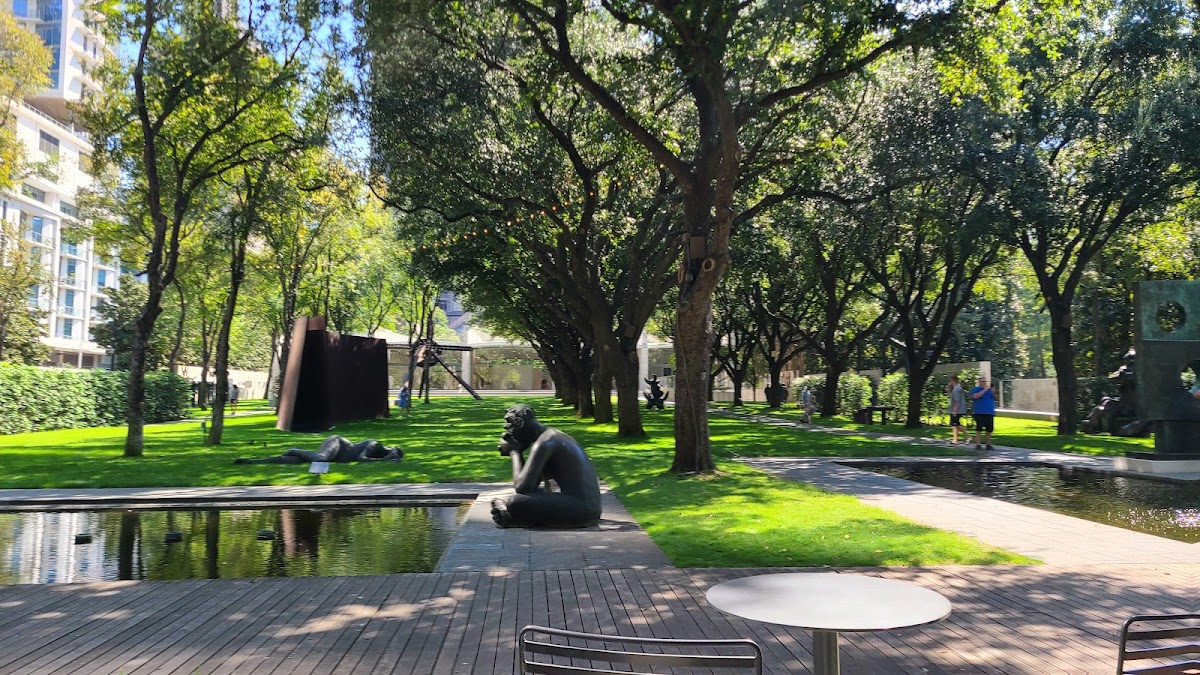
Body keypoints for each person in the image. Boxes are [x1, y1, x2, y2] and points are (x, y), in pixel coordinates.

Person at [490, 404, 602, 529]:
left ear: (520, 424)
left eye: (510, 430)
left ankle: (513, 517)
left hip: (583, 510)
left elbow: (522, 488)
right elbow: (531, 485)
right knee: (532, 495)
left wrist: (514, 452)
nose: (509, 435)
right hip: (590, 506)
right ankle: (515, 517)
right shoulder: (550, 436)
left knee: (515, 502)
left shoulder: (544, 443)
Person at [233, 435, 403, 464]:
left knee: (293, 463)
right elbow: (361, 459)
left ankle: (252, 461)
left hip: (338, 456)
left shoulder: (379, 452)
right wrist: (384, 460)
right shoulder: (375, 445)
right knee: (321, 459)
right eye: (395, 452)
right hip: (338, 444)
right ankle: (294, 449)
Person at [970, 375, 996, 451]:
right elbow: (975, 397)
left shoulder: (989, 391)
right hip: (979, 412)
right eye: (983, 382)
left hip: (989, 412)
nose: (984, 383)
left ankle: (988, 444)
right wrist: (984, 390)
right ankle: (978, 444)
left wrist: (994, 392)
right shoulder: (976, 389)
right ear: (979, 382)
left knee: (989, 430)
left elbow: (996, 398)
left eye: (985, 381)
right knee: (979, 429)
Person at [946, 376, 966, 444]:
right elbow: (952, 397)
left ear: (953, 380)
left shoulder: (957, 389)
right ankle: (955, 439)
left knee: (956, 424)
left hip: (956, 410)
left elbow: (956, 401)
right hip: (957, 409)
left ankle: (968, 436)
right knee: (955, 424)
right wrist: (949, 391)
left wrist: (955, 410)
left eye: (950, 381)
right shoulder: (956, 388)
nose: (950, 382)